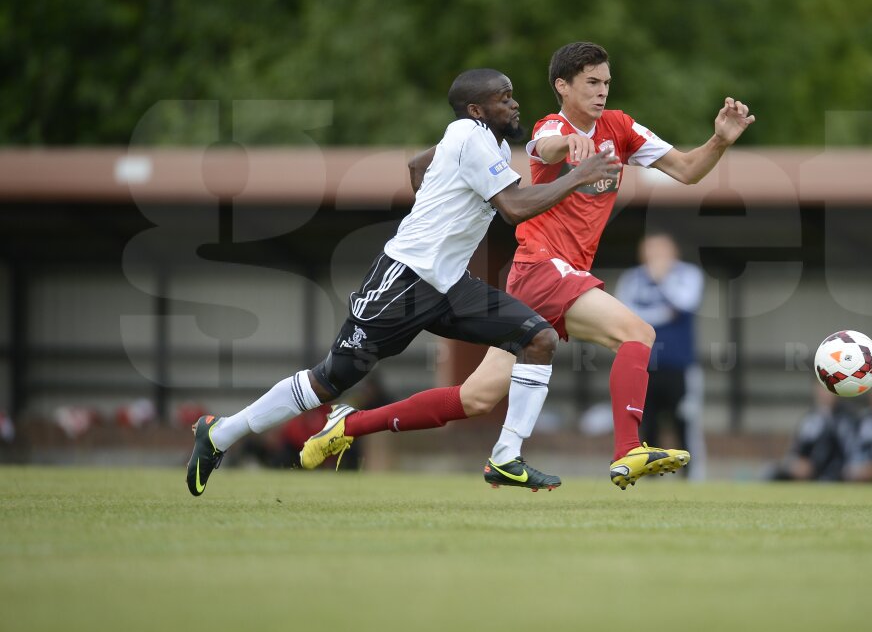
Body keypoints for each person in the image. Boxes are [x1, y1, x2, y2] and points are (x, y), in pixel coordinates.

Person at [303, 41, 755, 490]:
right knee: (638, 334)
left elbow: (689, 171)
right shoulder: (548, 127)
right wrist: (571, 144)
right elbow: (547, 147)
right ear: (563, 86)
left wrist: (719, 140)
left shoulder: (620, 127)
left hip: (541, 280)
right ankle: (627, 450)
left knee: (476, 397)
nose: (602, 92)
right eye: (592, 83)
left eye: (606, 83)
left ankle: (348, 426)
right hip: (545, 267)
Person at [185, 68, 621, 496]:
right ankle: (220, 434)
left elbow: (418, 165)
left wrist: (437, 211)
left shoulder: (479, 140)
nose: (514, 103)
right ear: (476, 110)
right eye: (503, 98)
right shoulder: (470, 136)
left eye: (512, 95)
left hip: (449, 284)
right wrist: (579, 176)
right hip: (404, 279)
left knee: (538, 339)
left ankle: (506, 457)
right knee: (330, 379)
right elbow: (513, 207)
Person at [614, 232, 705, 472]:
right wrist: (660, 314)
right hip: (644, 365)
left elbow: (684, 304)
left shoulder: (688, 275)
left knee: (684, 422)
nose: (656, 257)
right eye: (651, 251)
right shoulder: (632, 279)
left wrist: (662, 281)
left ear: (674, 252)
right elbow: (624, 314)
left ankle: (693, 476)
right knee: (646, 423)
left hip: (679, 364)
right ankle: (648, 474)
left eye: (661, 251)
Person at [766, 381, 859, 482]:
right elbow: (795, 450)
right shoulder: (809, 419)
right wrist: (796, 464)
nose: (825, 392)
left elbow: (851, 452)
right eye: (822, 387)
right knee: (770, 471)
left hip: (835, 474)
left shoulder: (847, 418)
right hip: (809, 475)